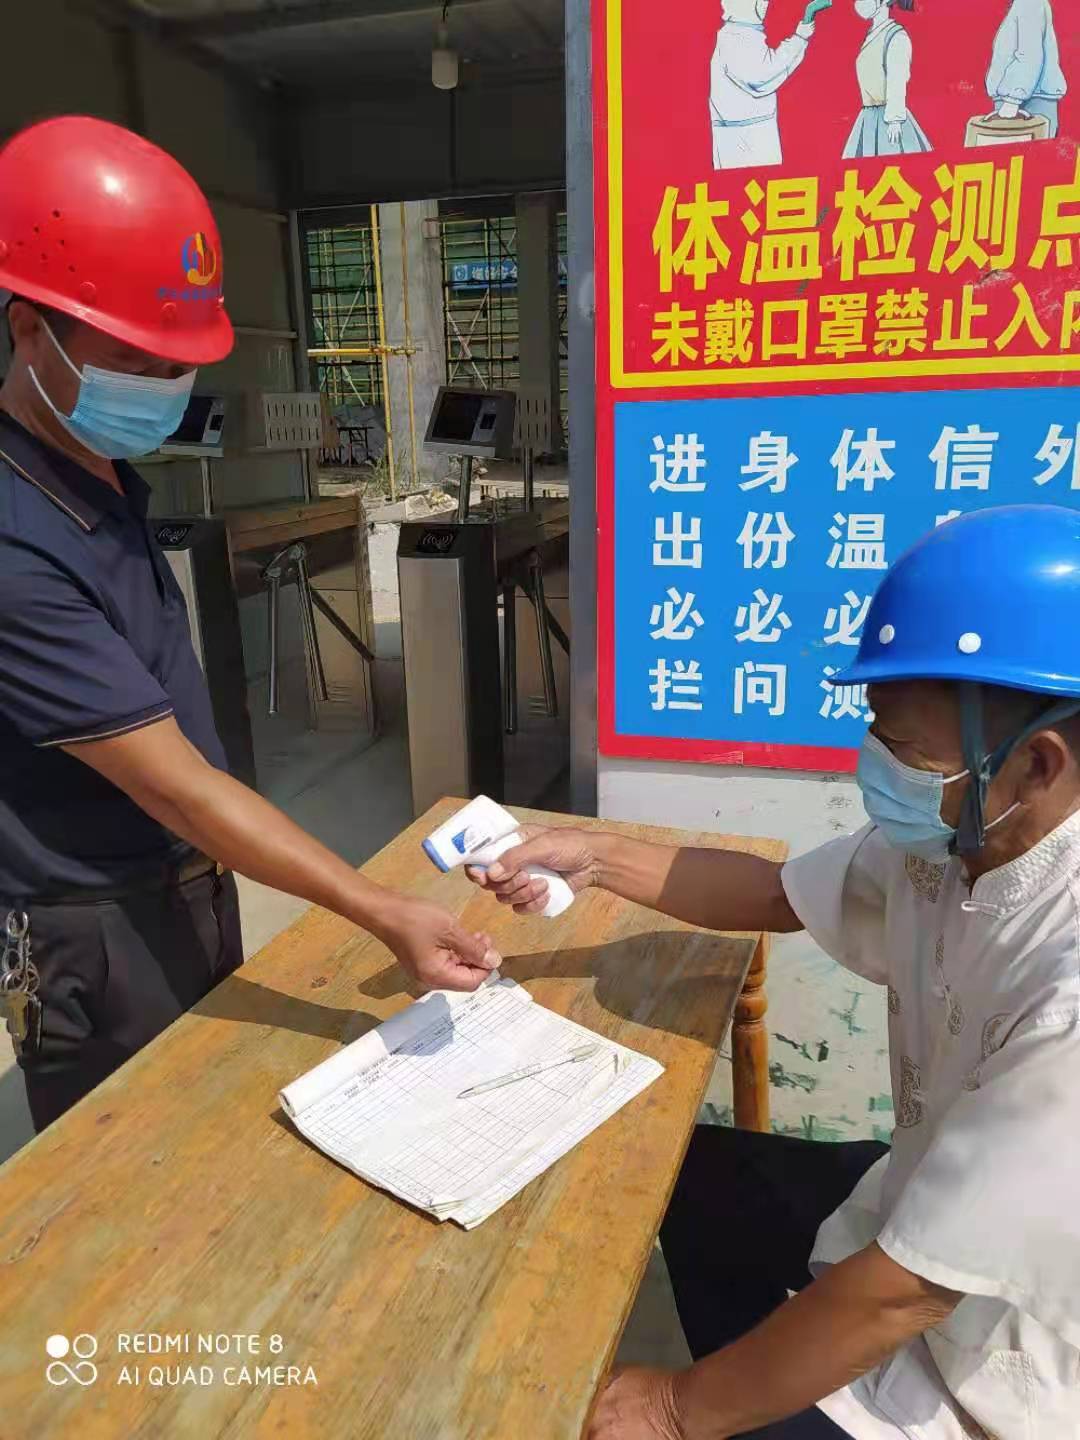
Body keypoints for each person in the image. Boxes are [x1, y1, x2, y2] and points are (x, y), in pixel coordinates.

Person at [472, 506, 1080, 1438]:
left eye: (905, 751)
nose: (877, 765)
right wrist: (591, 856)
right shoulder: (962, 839)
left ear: (1036, 763)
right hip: (909, 1214)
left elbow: (911, 1290)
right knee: (691, 1176)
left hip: (1005, 1354)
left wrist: (675, 1408)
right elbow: (775, 894)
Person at [0, 116, 499, 1134]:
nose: (160, 388)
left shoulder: (94, 471)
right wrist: (380, 910)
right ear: (28, 331)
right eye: (132, 360)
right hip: (97, 927)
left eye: (172, 364)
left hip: (187, 880)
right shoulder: (14, 539)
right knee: (138, 1164)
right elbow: (175, 785)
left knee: (219, 1114)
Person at [710, 0, 832, 170]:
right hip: (745, 139)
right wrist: (800, 36)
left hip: (748, 132)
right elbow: (764, 75)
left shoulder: (742, 33)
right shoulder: (737, 37)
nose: (766, 4)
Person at [842, 0, 932, 157]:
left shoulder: (896, 36)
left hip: (888, 119)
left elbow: (897, 79)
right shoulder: (872, 34)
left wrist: (894, 120)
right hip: (868, 117)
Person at [985, 0, 1065, 138]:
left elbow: (1029, 54)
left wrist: (1012, 101)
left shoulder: (1029, 3)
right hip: (1022, 100)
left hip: (1026, 103)